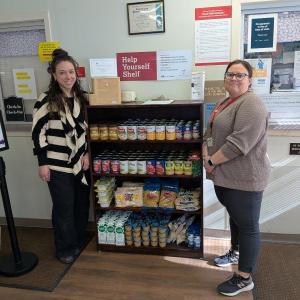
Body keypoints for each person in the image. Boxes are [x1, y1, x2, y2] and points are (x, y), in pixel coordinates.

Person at [203, 59, 271, 296]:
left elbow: (237, 144)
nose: (234, 78)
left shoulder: (252, 104)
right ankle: (235, 252)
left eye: (240, 75)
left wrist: (211, 161)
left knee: (248, 226)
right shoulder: (226, 102)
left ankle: (244, 278)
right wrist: (205, 152)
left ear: (250, 80)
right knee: (236, 219)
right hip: (225, 176)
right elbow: (210, 132)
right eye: (230, 74)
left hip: (245, 178)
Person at [32, 49, 90, 264]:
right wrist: (42, 163)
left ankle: (78, 241)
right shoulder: (46, 100)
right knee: (64, 208)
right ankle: (64, 248)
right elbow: (38, 133)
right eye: (62, 73)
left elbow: (87, 131)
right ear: (54, 76)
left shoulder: (81, 99)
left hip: (80, 164)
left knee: (81, 205)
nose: (68, 77)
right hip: (56, 166)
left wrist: (87, 155)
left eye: (71, 72)